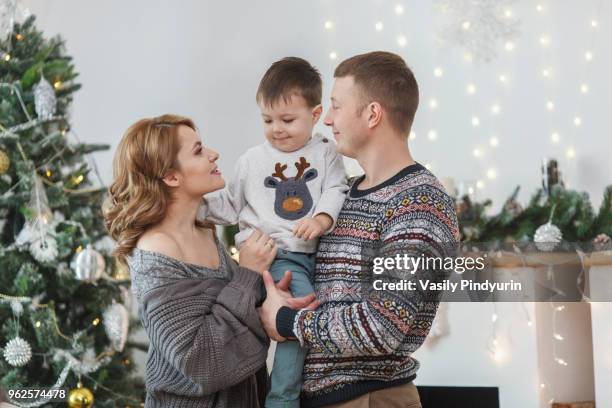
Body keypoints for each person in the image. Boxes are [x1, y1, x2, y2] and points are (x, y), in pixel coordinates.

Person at [259, 51, 461, 407]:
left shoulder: (419, 202)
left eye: (336, 106)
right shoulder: (338, 196)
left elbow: (384, 325)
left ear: (372, 114)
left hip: (369, 399)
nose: (326, 120)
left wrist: (289, 321)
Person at [103, 114, 317, 407]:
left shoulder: (204, 231)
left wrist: (269, 301)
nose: (213, 154)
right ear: (170, 176)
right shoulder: (155, 253)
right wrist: (248, 272)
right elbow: (199, 361)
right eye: (198, 150)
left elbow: (227, 315)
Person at [198, 57, 348, 408]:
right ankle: (282, 400)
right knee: (299, 318)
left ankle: (263, 393)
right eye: (267, 120)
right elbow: (229, 204)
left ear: (315, 114)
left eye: (287, 120)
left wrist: (321, 220)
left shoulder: (326, 153)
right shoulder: (252, 161)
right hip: (272, 255)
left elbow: (336, 189)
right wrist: (191, 207)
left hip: (306, 255)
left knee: (271, 327)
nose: (276, 129)